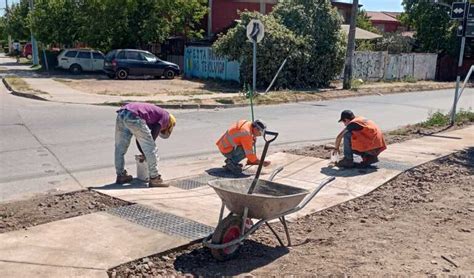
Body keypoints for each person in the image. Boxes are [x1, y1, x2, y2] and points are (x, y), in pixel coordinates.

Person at [115, 102, 176, 187]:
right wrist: (147, 152)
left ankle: (120, 175)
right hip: (134, 115)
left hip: (122, 113)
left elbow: (139, 138)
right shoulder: (166, 117)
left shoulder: (152, 117)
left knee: (120, 148)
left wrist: (144, 152)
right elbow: (151, 140)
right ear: (170, 124)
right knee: (151, 148)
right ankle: (155, 178)